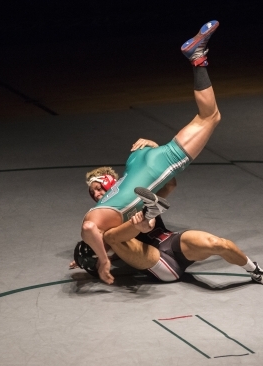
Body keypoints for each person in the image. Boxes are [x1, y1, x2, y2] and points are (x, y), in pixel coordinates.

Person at [81, 21, 221, 284]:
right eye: (95, 193)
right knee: (208, 117)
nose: (97, 194)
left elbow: (90, 229)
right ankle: (197, 57)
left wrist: (102, 259)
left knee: (210, 116)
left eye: (97, 189)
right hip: (139, 161)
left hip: (153, 166)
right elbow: (167, 188)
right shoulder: (112, 206)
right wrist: (96, 253)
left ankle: (197, 57)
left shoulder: (95, 220)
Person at [72, 188, 263, 288]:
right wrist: (89, 255)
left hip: (172, 242)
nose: (97, 193)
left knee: (219, 244)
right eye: (93, 191)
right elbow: (98, 239)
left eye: (100, 186)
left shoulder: (132, 197)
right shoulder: (100, 220)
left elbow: (170, 181)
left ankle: (257, 272)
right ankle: (146, 217)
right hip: (158, 263)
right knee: (111, 236)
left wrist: (151, 145)